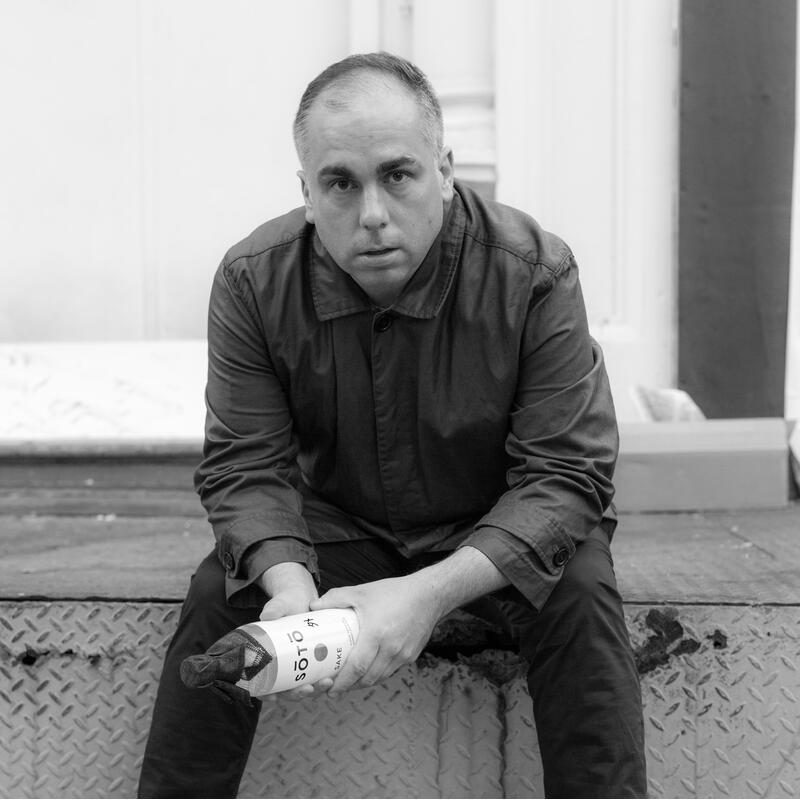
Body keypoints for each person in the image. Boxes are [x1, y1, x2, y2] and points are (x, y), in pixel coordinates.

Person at [138, 52, 646, 798]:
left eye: (398, 175)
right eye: (340, 183)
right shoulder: (252, 281)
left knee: (579, 585)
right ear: (307, 192)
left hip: (491, 538)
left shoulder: (533, 271)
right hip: (344, 532)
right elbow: (245, 468)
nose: (372, 213)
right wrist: (286, 585)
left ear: (445, 169)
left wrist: (429, 594)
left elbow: (566, 478)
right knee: (226, 587)